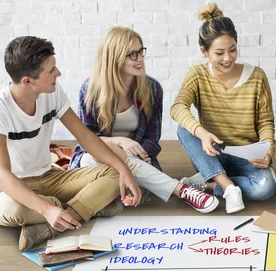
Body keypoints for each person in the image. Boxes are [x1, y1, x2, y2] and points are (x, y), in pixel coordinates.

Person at [0, 36, 141, 252]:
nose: (58, 74)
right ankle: (84, 207)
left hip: (48, 177)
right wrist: (46, 209)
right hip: (5, 189)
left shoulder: (51, 93)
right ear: (28, 81)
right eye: (51, 70)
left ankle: (53, 224)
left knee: (115, 173)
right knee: (13, 208)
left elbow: (86, 137)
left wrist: (123, 168)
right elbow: (2, 176)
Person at [69, 26, 218, 213]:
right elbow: (86, 139)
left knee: (128, 192)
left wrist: (141, 155)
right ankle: (181, 190)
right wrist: (120, 142)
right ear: (114, 58)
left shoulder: (153, 89)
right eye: (132, 54)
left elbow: (152, 139)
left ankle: (112, 197)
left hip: (139, 161)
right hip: (95, 157)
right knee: (99, 160)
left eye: (140, 51)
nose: (140, 58)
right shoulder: (90, 90)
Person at [170, 3, 276, 214]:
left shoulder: (257, 76)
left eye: (233, 50)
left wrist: (268, 152)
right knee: (184, 129)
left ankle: (208, 183)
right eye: (219, 53)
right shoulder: (198, 75)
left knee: (266, 188)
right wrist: (201, 133)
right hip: (213, 153)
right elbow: (178, 107)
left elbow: (265, 122)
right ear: (204, 52)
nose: (228, 58)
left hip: (246, 155)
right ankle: (228, 187)